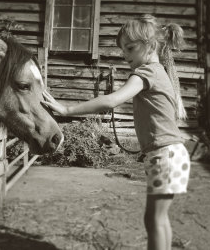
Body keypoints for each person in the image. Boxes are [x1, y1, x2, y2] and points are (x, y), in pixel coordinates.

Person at [42, 14, 190, 250]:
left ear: (151, 46)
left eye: (130, 48)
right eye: (123, 50)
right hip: (172, 155)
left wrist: (67, 108)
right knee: (159, 219)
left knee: (155, 219)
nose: (125, 55)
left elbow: (111, 101)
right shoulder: (160, 71)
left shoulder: (147, 73)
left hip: (165, 156)